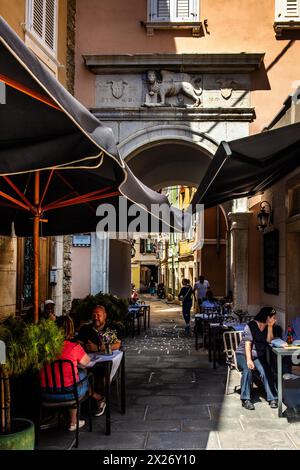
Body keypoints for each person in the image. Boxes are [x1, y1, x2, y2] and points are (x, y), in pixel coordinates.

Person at [40, 315, 104, 431]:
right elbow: (87, 362)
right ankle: (73, 421)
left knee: (64, 376)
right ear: (71, 329)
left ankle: (56, 416)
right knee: (81, 374)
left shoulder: (45, 347)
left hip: (46, 393)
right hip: (70, 394)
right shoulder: (74, 347)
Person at [77, 305, 121, 416]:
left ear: (105, 316)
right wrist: (83, 346)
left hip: (104, 363)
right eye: (94, 315)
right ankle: (94, 397)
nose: (96, 317)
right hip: (87, 363)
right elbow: (78, 343)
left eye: (99, 315)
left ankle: (100, 400)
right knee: (77, 375)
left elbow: (117, 344)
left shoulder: (110, 329)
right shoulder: (85, 329)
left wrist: (97, 348)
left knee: (102, 376)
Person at [235, 307, 278, 410]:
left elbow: (269, 340)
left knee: (265, 370)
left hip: (258, 355)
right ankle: (245, 399)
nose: (275, 319)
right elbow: (248, 344)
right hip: (243, 354)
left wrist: (271, 326)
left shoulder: (268, 325)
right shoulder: (251, 326)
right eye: (273, 317)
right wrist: (249, 360)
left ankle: (272, 397)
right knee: (247, 369)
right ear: (267, 317)